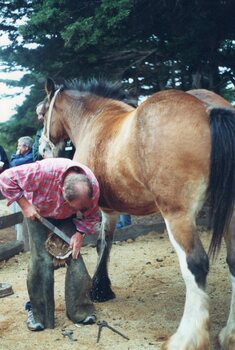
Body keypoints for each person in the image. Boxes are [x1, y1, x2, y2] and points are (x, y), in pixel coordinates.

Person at [0, 158, 100, 331]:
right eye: (76, 206)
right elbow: (6, 178)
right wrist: (25, 205)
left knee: (75, 257)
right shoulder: (42, 172)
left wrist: (80, 233)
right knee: (41, 261)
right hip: (37, 213)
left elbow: (91, 214)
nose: (83, 209)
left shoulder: (92, 189)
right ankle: (40, 316)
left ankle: (80, 311)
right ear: (62, 191)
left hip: (66, 217)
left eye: (82, 207)